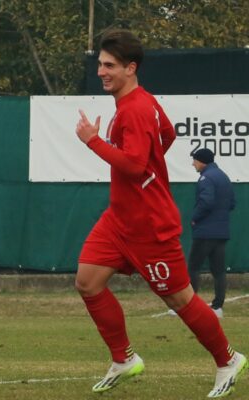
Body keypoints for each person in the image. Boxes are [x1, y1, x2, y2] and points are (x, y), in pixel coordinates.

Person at [74, 29, 246, 398]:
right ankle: (124, 360)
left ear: (130, 68)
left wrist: (93, 141)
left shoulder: (136, 109)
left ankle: (227, 359)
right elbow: (166, 135)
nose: (101, 71)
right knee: (87, 281)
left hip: (149, 226)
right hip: (119, 219)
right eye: (101, 64)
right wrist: (146, 164)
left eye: (109, 66)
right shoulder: (142, 102)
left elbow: (135, 166)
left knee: (180, 300)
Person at [189, 148, 235, 319]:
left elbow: (206, 202)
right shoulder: (223, 176)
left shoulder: (206, 178)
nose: (193, 163)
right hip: (221, 232)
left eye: (195, 160)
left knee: (193, 267)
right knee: (219, 271)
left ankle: (189, 305)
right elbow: (232, 203)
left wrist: (195, 217)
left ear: (202, 161)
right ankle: (218, 307)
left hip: (205, 232)